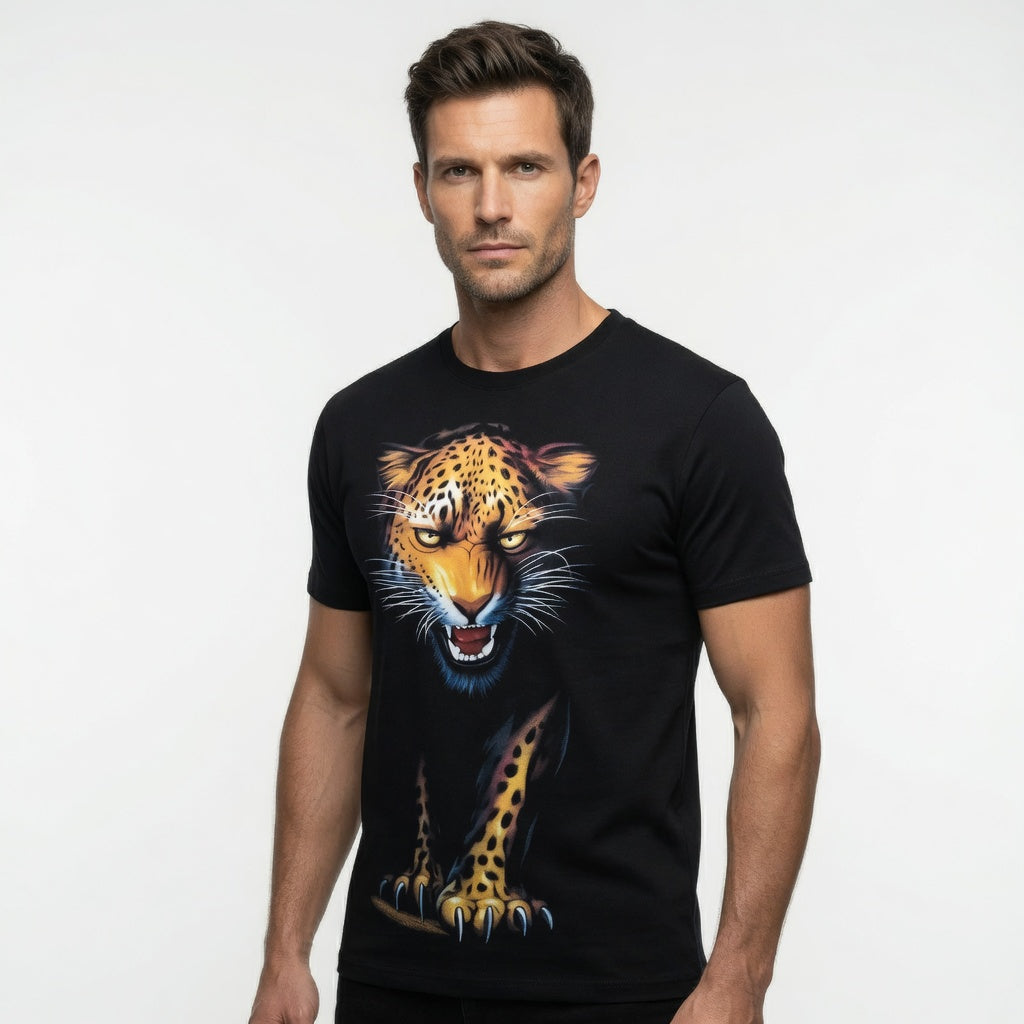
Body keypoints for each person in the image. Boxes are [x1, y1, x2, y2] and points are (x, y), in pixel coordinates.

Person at [248, 20, 820, 1024]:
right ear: (422, 189)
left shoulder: (698, 417)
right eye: (459, 171)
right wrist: (285, 952)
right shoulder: (360, 425)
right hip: (395, 978)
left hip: (624, 991)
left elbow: (774, 710)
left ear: (582, 182)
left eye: (525, 166)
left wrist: (738, 980)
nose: (491, 205)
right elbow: (335, 696)